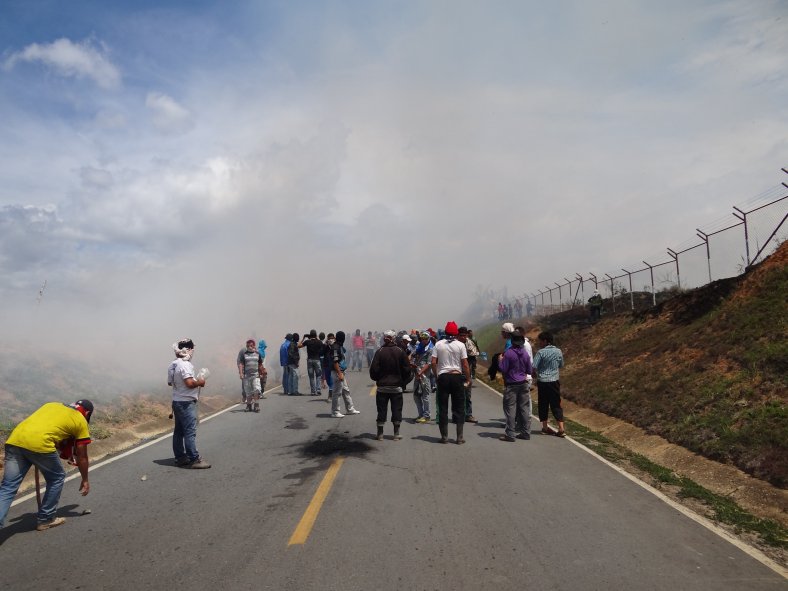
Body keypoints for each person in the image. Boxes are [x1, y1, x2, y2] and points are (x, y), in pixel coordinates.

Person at [0, 400, 93, 531]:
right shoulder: (80, 420)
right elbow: (82, 456)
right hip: (39, 444)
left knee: (8, 486)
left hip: (15, 440)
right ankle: (46, 519)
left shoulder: (51, 405)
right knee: (57, 477)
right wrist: (85, 479)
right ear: (87, 413)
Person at [168, 338, 211, 468]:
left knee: (179, 432)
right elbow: (190, 383)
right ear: (189, 350)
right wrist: (200, 381)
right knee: (189, 432)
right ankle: (194, 459)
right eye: (192, 349)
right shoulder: (185, 365)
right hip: (186, 403)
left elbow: (170, 382)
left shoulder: (173, 364)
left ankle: (180, 457)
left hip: (177, 401)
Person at [431, 321, 471, 444]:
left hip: (443, 377)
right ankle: (459, 437)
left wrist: (437, 376)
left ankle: (444, 437)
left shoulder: (438, 344)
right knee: (459, 407)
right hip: (456, 377)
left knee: (442, 407)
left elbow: (433, 362)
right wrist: (468, 379)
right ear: (456, 333)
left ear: (445, 331)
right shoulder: (460, 345)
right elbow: (465, 364)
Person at [369, 330, 412, 441]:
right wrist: (402, 383)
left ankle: (380, 434)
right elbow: (407, 370)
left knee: (381, 410)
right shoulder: (400, 351)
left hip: (382, 388)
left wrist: (378, 379)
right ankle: (396, 434)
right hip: (396, 388)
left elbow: (373, 370)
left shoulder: (379, 351)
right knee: (397, 410)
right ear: (394, 338)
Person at [497, 330, 533, 442]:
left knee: (510, 410)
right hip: (523, 383)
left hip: (512, 384)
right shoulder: (525, 353)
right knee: (524, 409)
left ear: (512, 341)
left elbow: (503, 369)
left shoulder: (509, 353)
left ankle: (510, 434)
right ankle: (526, 432)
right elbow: (529, 370)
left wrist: (500, 361)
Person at [532, 331, 566, 438]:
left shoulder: (540, 353)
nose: (539, 343)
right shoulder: (558, 351)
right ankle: (561, 428)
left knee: (543, 404)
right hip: (554, 381)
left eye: (540, 341)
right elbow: (561, 364)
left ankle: (545, 427)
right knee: (556, 403)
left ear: (545, 341)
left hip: (543, 382)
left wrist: (534, 375)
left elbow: (534, 366)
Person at [330, 331, 360, 417]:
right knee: (337, 392)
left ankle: (350, 409)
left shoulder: (339, 346)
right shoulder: (335, 347)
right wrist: (339, 373)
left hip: (341, 371)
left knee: (346, 391)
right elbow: (335, 361)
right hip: (337, 372)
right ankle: (335, 412)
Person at [237, 339, 265, 412]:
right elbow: (241, 364)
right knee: (248, 391)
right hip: (247, 376)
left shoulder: (257, 354)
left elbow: (260, 364)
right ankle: (248, 405)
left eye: (251, 345)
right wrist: (241, 373)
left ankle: (256, 405)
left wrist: (262, 373)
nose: (250, 347)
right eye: (248, 345)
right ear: (246, 346)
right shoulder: (244, 354)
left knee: (256, 390)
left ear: (254, 346)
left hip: (256, 375)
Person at [412, 332, 434, 423]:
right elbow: (413, 354)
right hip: (417, 374)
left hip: (425, 375)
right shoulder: (420, 346)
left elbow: (429, 363)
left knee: (425, 396)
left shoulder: (431, 348)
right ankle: (420, 414)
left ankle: (427, 415)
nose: (424, 340)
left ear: (429, 338)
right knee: (416, 395)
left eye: (425, 338)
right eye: (422, 338)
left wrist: (421, 372)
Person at [458, 326, 477, 423]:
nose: (463, 337)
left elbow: (474, 353)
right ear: (458, 335)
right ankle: (456, 415)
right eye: (461, 335)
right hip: (456, 373)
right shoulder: (455, 344)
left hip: (466, 373)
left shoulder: (469, 343)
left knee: (467, 396)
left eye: (464, 335)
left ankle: (468, 415)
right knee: (457, 396)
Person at [302, 330, 325, 396]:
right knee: (318, 375)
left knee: (311, 376)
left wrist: (304, 338)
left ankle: (313, 391)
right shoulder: (319, 342)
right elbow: (323, 346)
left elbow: (299, 345)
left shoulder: (307, 342)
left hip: (309, 360)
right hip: (317, 360)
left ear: (310, 335)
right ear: (316, 335)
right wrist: (316, 338)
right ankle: (318, 390)